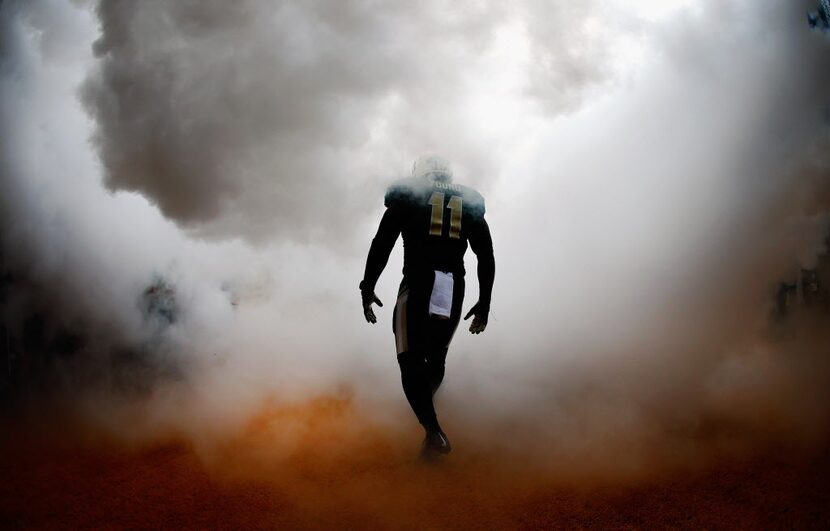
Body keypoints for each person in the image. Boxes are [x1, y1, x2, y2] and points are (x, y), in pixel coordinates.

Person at [360, 155, 495, 456]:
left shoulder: (408, 195)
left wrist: (367, 286)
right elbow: (485, 255)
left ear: (419, 174)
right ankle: (427, 422)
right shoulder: (468, 201)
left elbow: (382, 243)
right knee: (436, 359)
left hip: (418, 283)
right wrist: (484, 302)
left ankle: (433, 430)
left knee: (409, 359)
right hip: (453, 286)